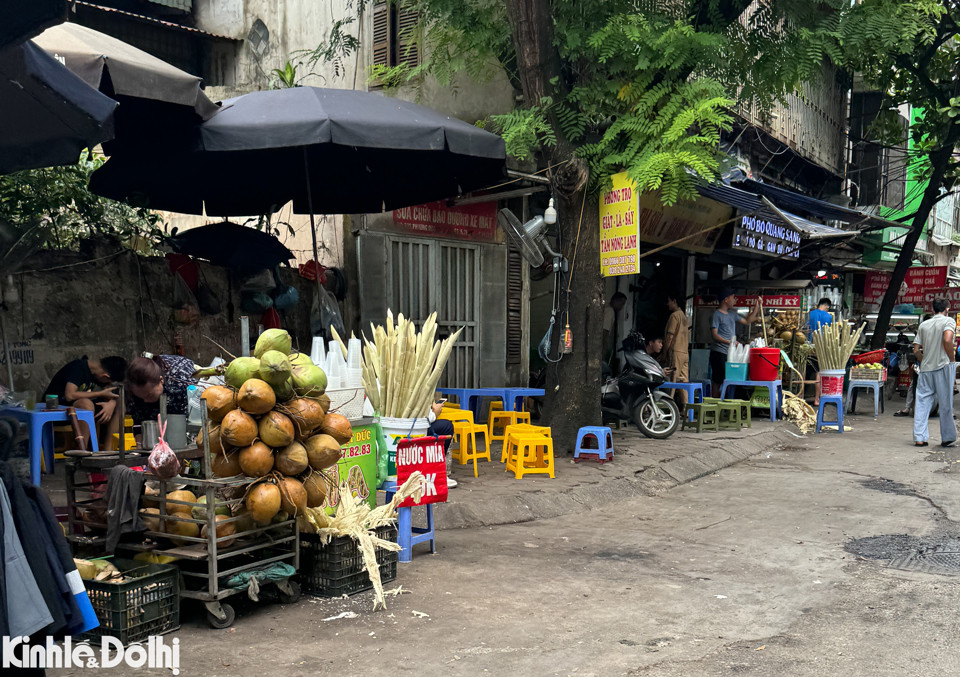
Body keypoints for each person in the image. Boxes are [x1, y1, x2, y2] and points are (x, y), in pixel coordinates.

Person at [44, 355, 127, 451]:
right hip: (57, 411)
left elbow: (113, 391)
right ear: (105, 376)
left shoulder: (94, 374)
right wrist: (100, 393)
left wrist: (112, 403)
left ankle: (108, 453)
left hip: (79, 412)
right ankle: (82, 452)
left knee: (119, 404)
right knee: (86, 404)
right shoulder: (78, 368)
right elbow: (69, 395)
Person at [125, 354, 198, 445]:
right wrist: (140, 446)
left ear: (161, 380)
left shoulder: (180, 381)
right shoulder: (133, 392)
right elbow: (138, 423)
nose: (146, 401)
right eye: (141, 397)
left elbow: (191, 419)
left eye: (149, 396)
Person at [912, 299, 956, 447]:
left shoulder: (924, 325)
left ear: (933, 309)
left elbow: (916, 350)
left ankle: (919, 437)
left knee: (922, 403)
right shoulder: (948, 321)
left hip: (925, 369)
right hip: (943, 366)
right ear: (947, 309)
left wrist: (924, 360)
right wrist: (952, 359)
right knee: (945, 403)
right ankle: (947, 437)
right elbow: (947, 339)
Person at [710, 290, 760, 397]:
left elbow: (747, 321)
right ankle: (714, 404)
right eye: (733, 297)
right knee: (717, 380)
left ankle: (724, 403)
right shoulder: (717, 314)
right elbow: (714, 335)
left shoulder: (732, 314)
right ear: (726, 299)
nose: (735, 300)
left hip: (729, 353)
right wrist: (730, 342)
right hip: (718, 352)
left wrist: (757, 307)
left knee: (728, 379)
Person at [662, 294, 690, 406]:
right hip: (685, 352)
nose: (668, 304)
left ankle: (669, 406)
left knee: (672, 379)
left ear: (675, 301)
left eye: (669, 301)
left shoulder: (674, 316)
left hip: (676, 351)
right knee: (683, 380)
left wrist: (664, 353)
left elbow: (669, 336)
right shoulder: (683, 316)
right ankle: (687, 407)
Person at [426, 399, 457, 488]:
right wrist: (435, 412)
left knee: (444, 424)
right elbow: (426, 418)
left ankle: (437, 470)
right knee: (446, 427)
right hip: (414, 427)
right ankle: (437, 472)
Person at [603, 292, 627, 368]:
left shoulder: (607, 309)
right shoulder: (610, 312)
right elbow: (604, 331)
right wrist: (603, 348)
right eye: (622, 303)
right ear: (615, 301)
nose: (622, 307)